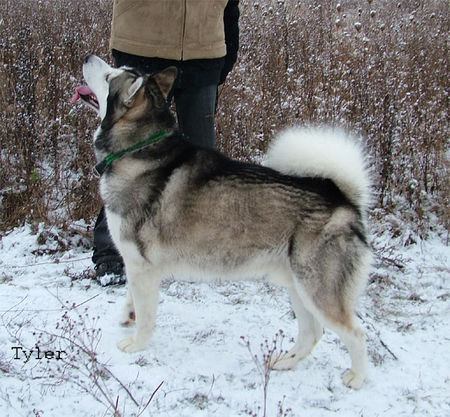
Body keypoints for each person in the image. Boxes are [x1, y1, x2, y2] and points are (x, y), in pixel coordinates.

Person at [93, 0, 240, 284]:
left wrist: (227, 46)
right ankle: (111, 252)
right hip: (142, 42)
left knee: (200, 162)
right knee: (129, 154)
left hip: (204, 50)